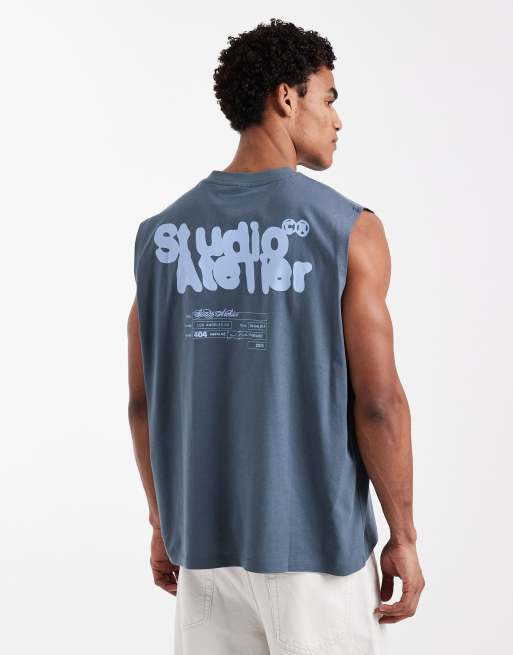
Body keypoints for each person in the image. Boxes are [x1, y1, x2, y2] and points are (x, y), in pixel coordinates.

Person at [127, 17, 425, 654]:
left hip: (204, 549)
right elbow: (378, 402)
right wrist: (403, 535)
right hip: (316, 552)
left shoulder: (159, 238)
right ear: (286, 98)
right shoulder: (347, 229)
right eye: (329, 98)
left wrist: (162, 521)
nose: (337, 120)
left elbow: (143, 403)